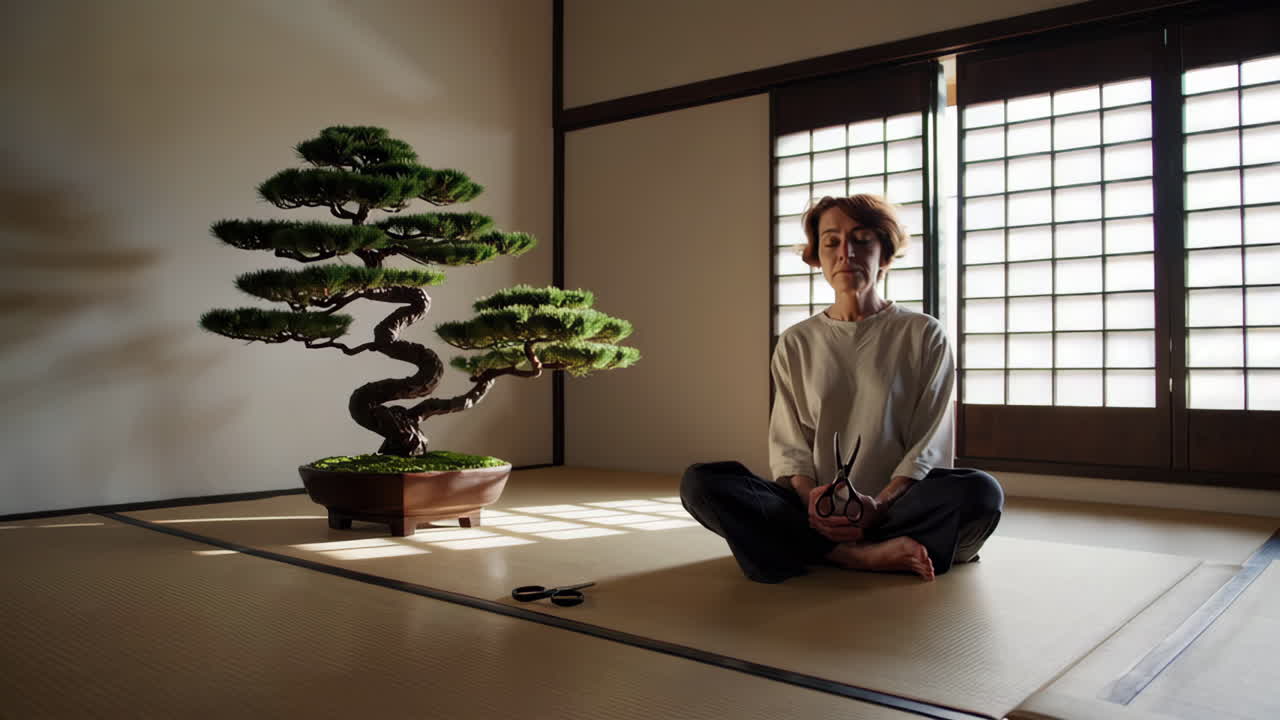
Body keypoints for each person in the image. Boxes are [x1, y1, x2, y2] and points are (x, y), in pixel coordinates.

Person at [681, 194, 1003, 584]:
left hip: (898, 508)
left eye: (862, 239)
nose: (845, 252)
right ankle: (852, 555)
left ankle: (812, 550)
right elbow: (791, 447)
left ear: (884, 253)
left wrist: (879, 505)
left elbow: (928, 445)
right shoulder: (796, 342)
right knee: (702, 482)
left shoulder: (923, 334)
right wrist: (812, 502)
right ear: (817, 256)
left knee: (981, 493)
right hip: (815, 513)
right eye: (831, 241)